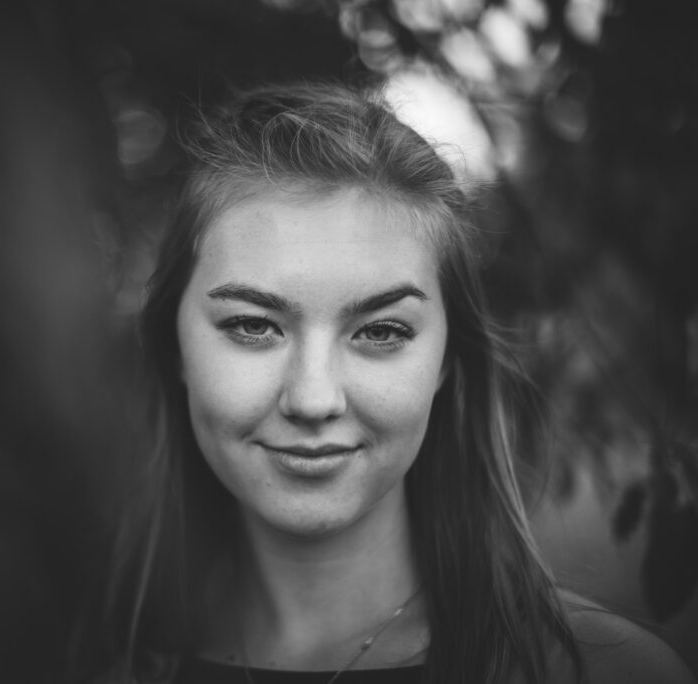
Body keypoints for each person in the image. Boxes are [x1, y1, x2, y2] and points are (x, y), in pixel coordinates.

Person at [108, 81, 695, 684]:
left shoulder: (603, 672)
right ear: (175, 346)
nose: (314, 400)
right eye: (253, 326)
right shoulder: (112, 667)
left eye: (381, 332)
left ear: (445, 360)